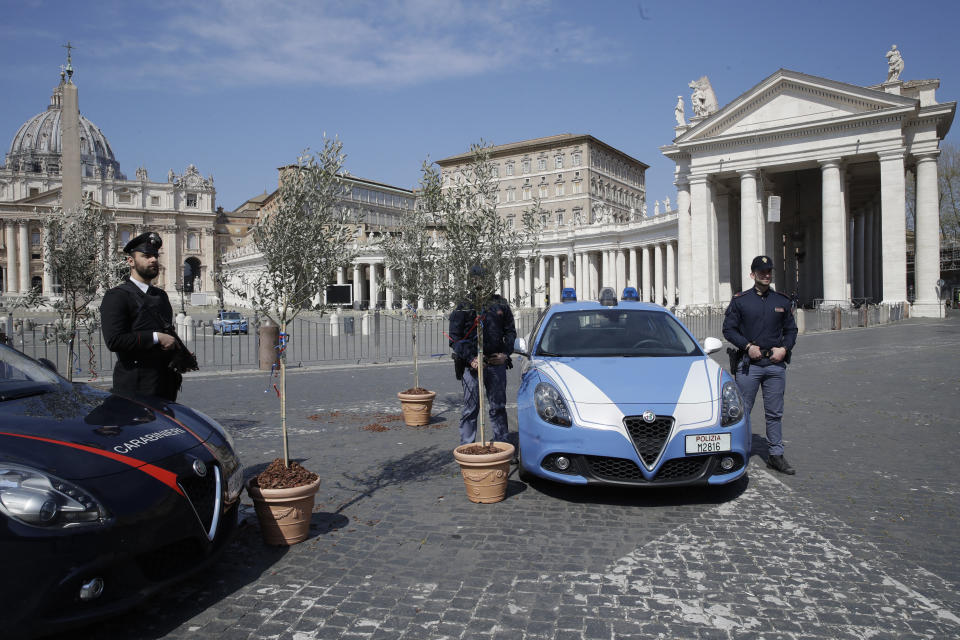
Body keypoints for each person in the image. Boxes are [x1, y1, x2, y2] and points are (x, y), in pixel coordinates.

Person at [722, 256, 799, 475]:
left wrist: (784, 349)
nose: (766, 274)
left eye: (769, 271)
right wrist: (747, 346)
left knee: (775, 412)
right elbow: (729, 330)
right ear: (752, 274)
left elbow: (791, 330)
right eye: (762, 271)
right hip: (750, 366)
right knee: (743, 411)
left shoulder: (781, 301)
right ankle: (740, 452)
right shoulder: (740, 301)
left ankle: (776, 455)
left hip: (775, 365)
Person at [100, 231, 182, 402]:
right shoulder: (116, 296)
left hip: (164, 384)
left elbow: (166, 330)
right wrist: (156, 337)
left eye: (155, 255)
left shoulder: (161, 295)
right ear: (130, 261)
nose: (153, 259)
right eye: (146, 256)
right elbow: (114, 340)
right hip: (135, 385)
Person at [448, 265, 517, 446]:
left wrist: (505, 354)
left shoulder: (500, 304)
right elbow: (454, 338)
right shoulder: (464, 306)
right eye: (479, 280)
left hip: (496, 362)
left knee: (498, 407)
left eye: (486, 280)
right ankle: (467, 447)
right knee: (471, 408)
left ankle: (502, 444)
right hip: (472, 366)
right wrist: (471, 358)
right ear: (473, 281)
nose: (483, 284)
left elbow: (510, 332)